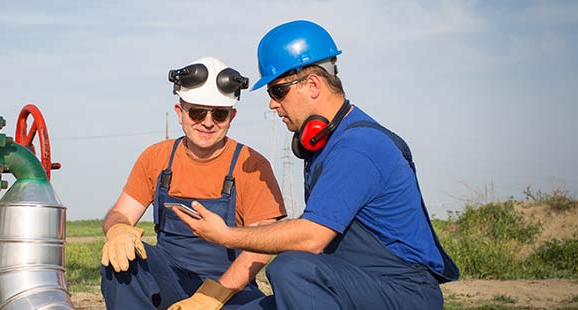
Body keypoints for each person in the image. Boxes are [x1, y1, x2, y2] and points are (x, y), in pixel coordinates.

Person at [173, 21, 459, 309]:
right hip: (353, 283)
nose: (272, 105)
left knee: (291, 267)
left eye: (277, 91)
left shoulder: (357, 147)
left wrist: (225, 235)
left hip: (402, 292)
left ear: (312, 84)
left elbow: (312, 237)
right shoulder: (326, 143)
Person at [99, 56, 286, 310]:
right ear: (180, 113)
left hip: (228, 286)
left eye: (219, 114)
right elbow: (121, 212)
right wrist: (117, 229)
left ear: (232, 116)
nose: (208, 122)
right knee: (120, 259)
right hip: (169, 277)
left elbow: (261, 247)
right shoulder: (157, 158)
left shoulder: (251, 165)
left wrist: (211, 298)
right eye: (198, 112)